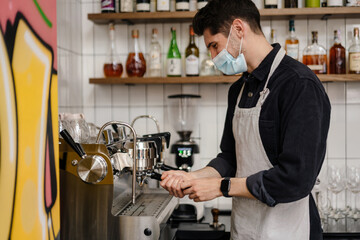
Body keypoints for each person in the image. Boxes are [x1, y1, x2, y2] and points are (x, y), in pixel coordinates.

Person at [160, 0, 331, 239]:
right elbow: (230, 158)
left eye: (214, 45)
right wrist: (195, 177)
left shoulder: (299, 85)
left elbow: (296, 179)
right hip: (245, 230)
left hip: (289, 230)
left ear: (238, 29)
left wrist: (222, 187)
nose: (213, 56)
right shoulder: (239, 89)